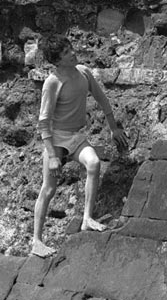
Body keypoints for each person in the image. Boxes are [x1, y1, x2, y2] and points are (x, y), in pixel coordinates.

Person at [31, 34, 129, 257]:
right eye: (66, 53)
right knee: (49, 189)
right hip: (56, 140)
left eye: (71, 48)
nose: (73, 53)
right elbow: (43, 122)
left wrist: (114, 128)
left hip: (76, 137)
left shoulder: (83, 72)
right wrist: (53, 156)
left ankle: (87, 219)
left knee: (93, 163)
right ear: (57, 60)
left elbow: (101, 98)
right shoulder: (53, 82)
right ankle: (36, 241)